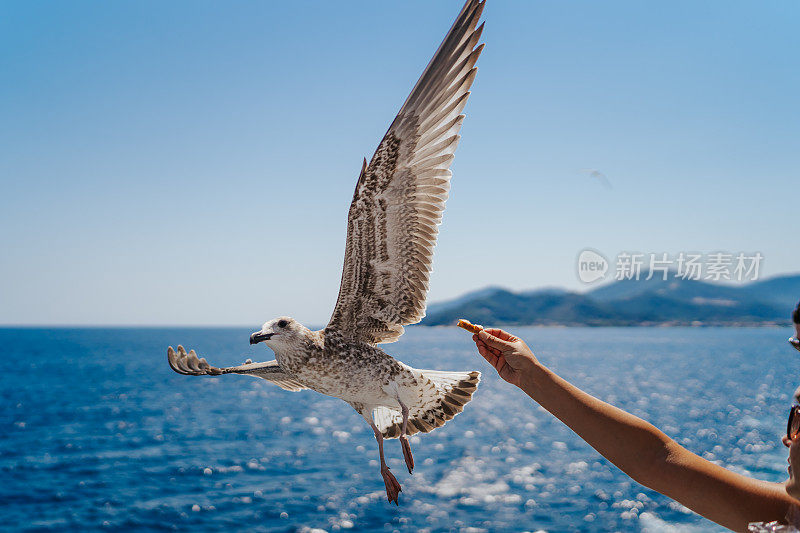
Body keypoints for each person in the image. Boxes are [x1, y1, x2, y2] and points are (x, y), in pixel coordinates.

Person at [471, 322, 800, 533]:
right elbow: (658, 460)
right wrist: (530, 376)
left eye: (799, 416)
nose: (787, 438)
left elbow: (658, 460)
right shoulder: (790, 514)